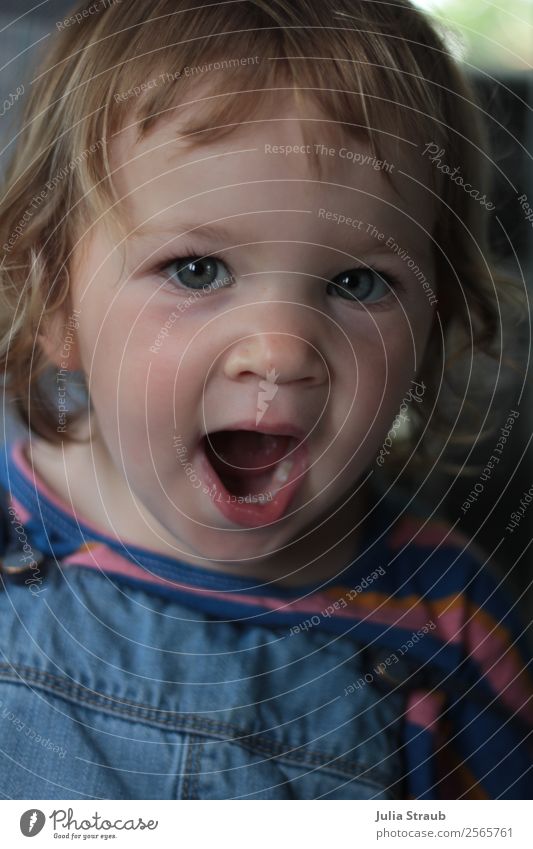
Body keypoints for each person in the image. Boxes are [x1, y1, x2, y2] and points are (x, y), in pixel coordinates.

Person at [0, 0, 530, 800]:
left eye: (357, 284)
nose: (280, 351)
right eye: (196, 270)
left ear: (432, 329)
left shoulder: (452, 624)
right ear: (54, 304)